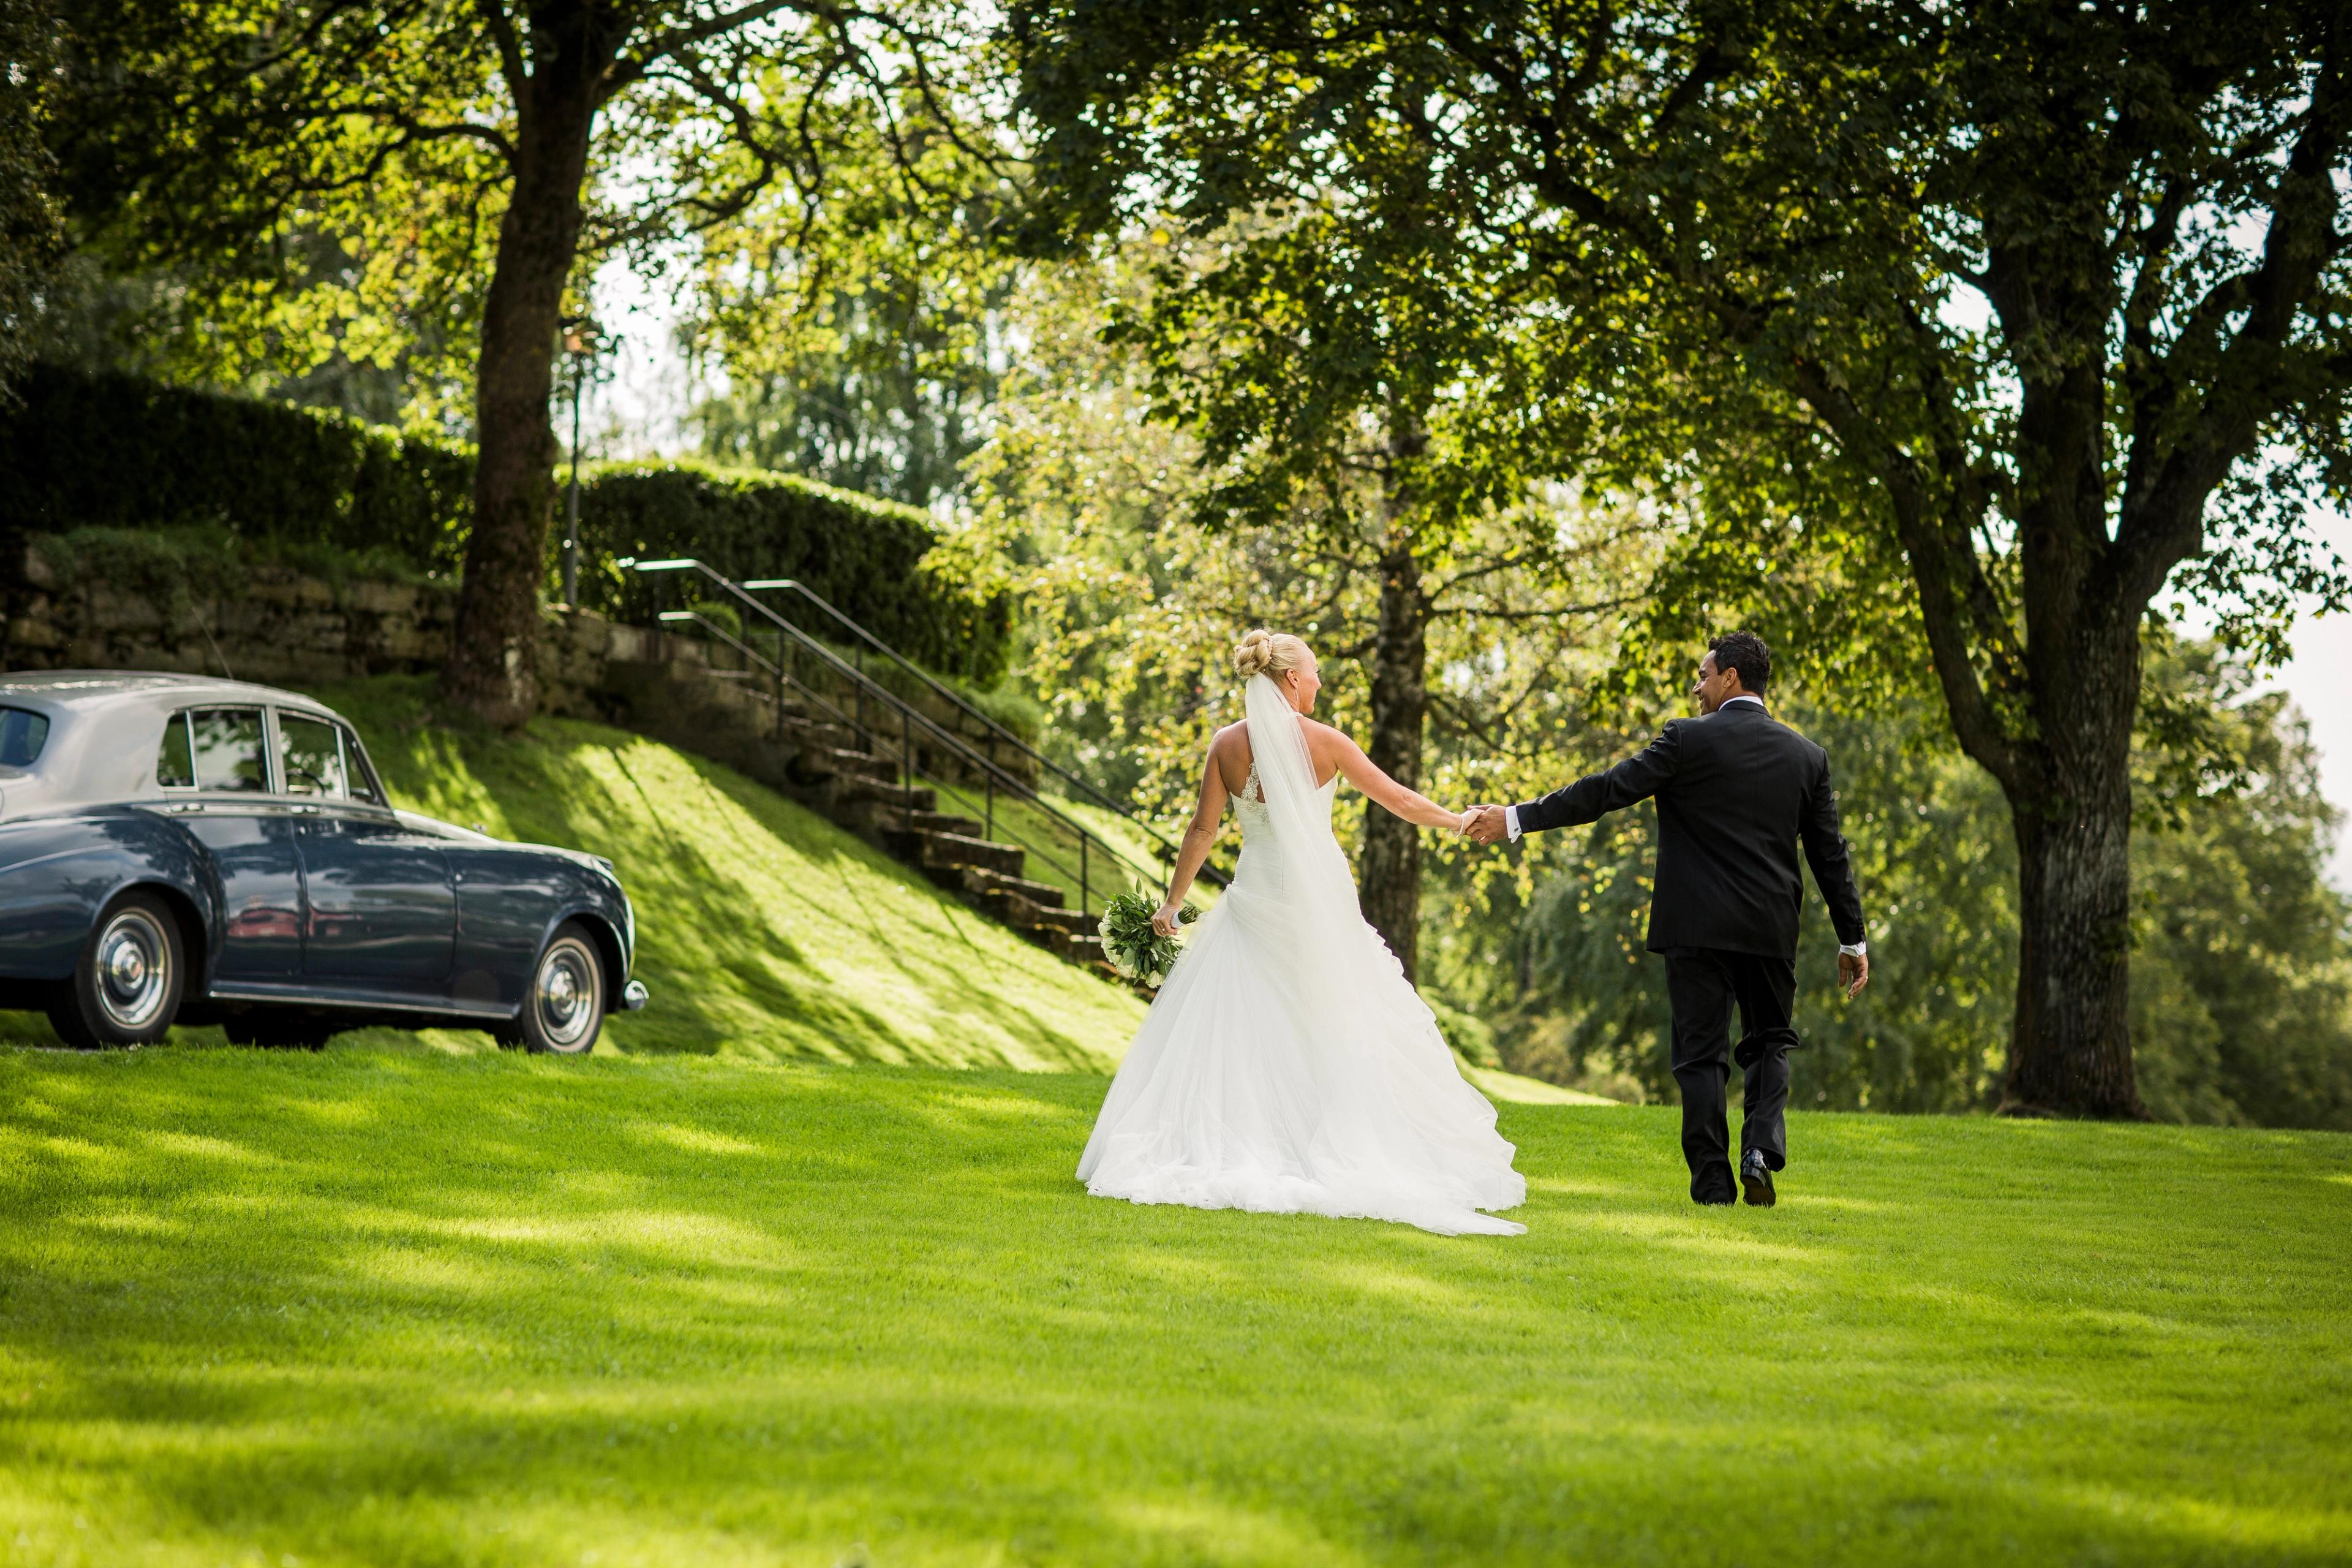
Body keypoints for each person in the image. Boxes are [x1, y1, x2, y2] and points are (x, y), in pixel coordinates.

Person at [1077, 630, 1528, 1236]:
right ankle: (1319, 1143)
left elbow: (1202, 830)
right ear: (1291, 678)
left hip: (1256, 898)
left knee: (1244, 1029)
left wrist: (1173, 903)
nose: (1318, 683)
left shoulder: (1226, 745)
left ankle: (1247, 1142)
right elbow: (1394, 797)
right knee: (1336, 1021)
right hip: (1317, 905)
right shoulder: (1325, 742)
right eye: (1313, 672)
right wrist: (1457, 819)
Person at [1465, 631, 1868, 1207]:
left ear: (1731, 676)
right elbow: (1831, 857)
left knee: (1702, 1057)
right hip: (1769, 929)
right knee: (1770, 1043)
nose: (1696, 687)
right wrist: (1852, 939)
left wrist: (1516, 819)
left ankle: (1711, 1186)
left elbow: (1605, 791)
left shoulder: (1686, 740)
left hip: (1695, 928)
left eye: (1703, 675)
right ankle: (1759, 1150)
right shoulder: (1807, 756)